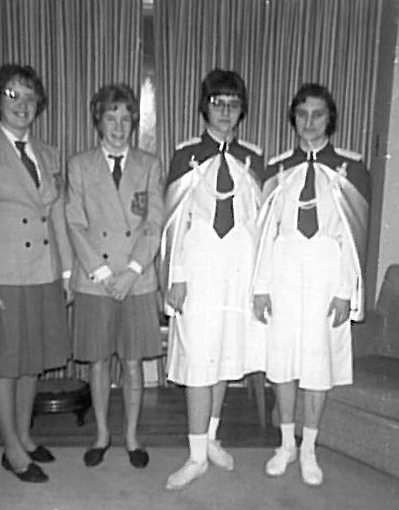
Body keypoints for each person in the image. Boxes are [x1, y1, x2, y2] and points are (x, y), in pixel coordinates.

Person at [0, 63, 72, 483]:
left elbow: (55, 214)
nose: (21, 105)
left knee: (31, 364)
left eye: (29, 97)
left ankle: (24, 436)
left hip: (41, 274)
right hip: (1, 278)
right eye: (12, 95)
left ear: (39, 104)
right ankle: (11, 450)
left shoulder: (48, 153)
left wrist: (66, 272)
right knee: (4, 366)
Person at [252, 83, 370, 486]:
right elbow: (266, 234)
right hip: (283, 273)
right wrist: (261, 286)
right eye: (302, 114)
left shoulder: (352, 170)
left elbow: (355, 240)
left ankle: (308, 449)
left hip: (326, 275)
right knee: (283, 362)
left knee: (318, 364)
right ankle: (286, 443)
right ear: (293, 119)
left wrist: (345, 291)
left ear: (330, 118)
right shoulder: (277, 168)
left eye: (317, 114)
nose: (309, 122)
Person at [161, 69, 265, 490]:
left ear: (242, 110)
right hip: (199, 271)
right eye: (218, 103)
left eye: (233, 104)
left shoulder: (254, 158)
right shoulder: (185, 155)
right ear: (205, 107)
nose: (225, 112)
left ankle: (212, 439)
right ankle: (195, 454)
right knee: (198, 362)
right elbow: (173, 225)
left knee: (223, 358)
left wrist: (260, 284)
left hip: (237, 273)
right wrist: (176, 276)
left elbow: (261, 225)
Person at [66, 83, 164, 469]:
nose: (119, 126)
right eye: (111, 117)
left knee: (134, 362)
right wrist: (105, 272)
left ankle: (132, 437)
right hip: (96, 279)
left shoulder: (149, 164)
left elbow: (155, 223)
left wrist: (133, 271)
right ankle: (103, 435)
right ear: (98, 120)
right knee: (99, 362)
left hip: (137, 280)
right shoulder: (80, 164)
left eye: (126, 118)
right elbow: (74, 222)